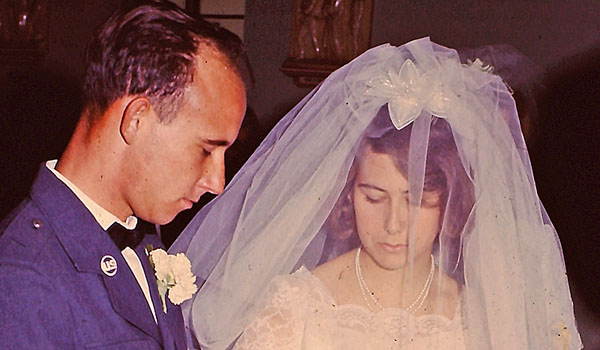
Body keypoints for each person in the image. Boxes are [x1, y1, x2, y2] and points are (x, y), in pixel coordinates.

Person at [170, 38, 582, 349]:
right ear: (347, 194)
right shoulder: (293, 307)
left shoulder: (485, 317)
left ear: (450, 202)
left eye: (417, 200)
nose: (393, 223)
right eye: (373, 195)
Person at [0, 2, 247, 349]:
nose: (217, 183)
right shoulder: (20, 280)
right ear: (136, 120)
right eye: (206, 150)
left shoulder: (143, 237)